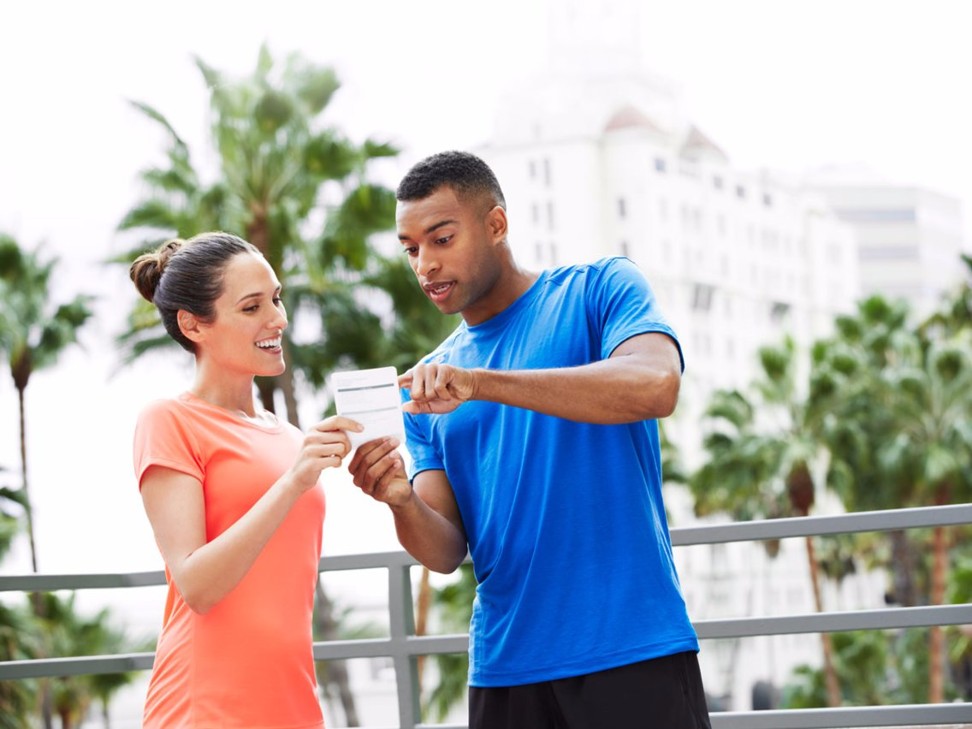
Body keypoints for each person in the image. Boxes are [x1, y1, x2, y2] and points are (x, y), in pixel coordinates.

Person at [348, 151, 711, 728]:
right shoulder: (426, 391)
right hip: (506, 671)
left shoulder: (600, 290)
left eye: (441, 239)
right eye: (411, 249)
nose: (425, 266)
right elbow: (444, 550)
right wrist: (399, 500)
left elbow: (656, 384)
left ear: (496, 225)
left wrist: (482, 384)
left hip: (632, 648)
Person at [129, 232, 360, 728]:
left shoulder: (290, 436)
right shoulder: (169, 421)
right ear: (194, 325)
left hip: (291, 703)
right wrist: (293, 482)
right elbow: (197, 584)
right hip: (205, 706)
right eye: (252, 307)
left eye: (276, 298)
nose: (277, 318)